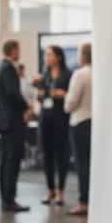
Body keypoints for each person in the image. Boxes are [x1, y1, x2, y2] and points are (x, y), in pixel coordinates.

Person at [0, 39, 30, 212]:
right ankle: (9, 199)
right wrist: (27, 107)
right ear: (13, 50)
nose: (19, 52)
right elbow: (13, 93)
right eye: (19, 49)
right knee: (12, 161)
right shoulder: (8, 69)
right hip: (12, 120)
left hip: (3, 119)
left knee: (5, 160)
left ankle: (5, 198)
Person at [37, 45, 71, 206]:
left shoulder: (67, 75)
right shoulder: (44, 75)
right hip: (45, 119)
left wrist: (63, 95)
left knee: (61, 155)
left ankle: (60, 191)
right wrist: (40, 94)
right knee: (47, 155)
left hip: (61, 119)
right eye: (46, 55)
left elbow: (71, 96)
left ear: (58, 57)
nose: (47, 58)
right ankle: (50, 189)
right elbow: (40, 97)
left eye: (50, 54)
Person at [65, 42, 93, 216]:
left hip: (81, 121)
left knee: (82, 164)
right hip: (96, 123)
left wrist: (66, 105)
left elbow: (71, 103)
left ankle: (84, 202)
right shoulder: (102, 73)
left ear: (82, 55)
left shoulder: (80, 74)